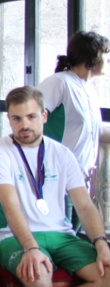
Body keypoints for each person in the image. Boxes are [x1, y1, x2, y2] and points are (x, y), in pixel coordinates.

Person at [0, 86, 110, 287]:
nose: (23, 125)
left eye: (30, 116)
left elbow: (86, 206)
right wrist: (30, 247)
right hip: (14, 237)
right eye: (16, 118)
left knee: (108, 274)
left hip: (62, 235)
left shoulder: (62, 154)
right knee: (37, 274)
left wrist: (101, 242)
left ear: (44, 115)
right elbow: (10, 206)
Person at [38, 31, 110, 179]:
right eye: (105, 54)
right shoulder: (59, 83)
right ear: (93, 57)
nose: (108, 60)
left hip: (83, 177)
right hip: (57, 175)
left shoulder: (89, 89)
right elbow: (29, 119)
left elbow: (94, 130)